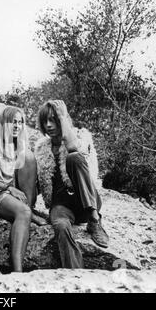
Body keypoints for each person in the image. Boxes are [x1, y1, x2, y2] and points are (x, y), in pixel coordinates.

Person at [35, 100, 109, 269]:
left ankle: (94, 220)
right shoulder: (41, 147)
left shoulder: (80, 136)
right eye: (45, 120)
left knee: (73, 157)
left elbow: (73, 147)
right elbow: (37, 182)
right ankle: (76, 271)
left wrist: (62, 116)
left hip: (85, 200)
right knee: (60, 226)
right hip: (61, 205)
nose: (48, 125)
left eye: (53, 119)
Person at [0, 106, 44, 273]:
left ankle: (30, 210)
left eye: (20, 122)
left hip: (11, 190)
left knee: (28, 157)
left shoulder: (19, 146)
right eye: (12, 122)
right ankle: (17, 271)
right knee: (22, 212)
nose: (16, 126)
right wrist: (8, 188)